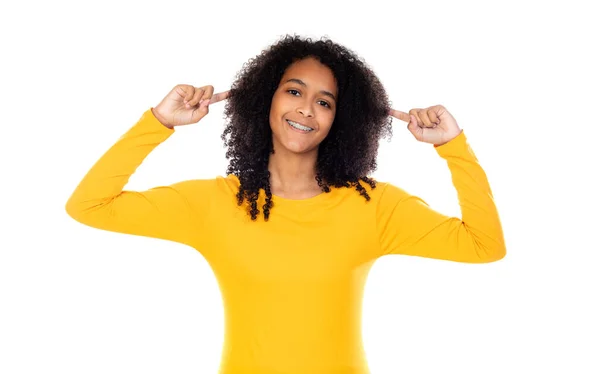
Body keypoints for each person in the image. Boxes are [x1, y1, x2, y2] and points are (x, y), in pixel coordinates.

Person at [65, 34, 506, 374]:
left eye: (325, 101)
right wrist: (159, 122)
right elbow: (89, 205)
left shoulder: (373, 207)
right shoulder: (214, 204)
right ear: (266, 99)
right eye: (294, 92)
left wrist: (453, 147)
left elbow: (484, 245)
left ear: (341, 119)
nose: (307, 109)